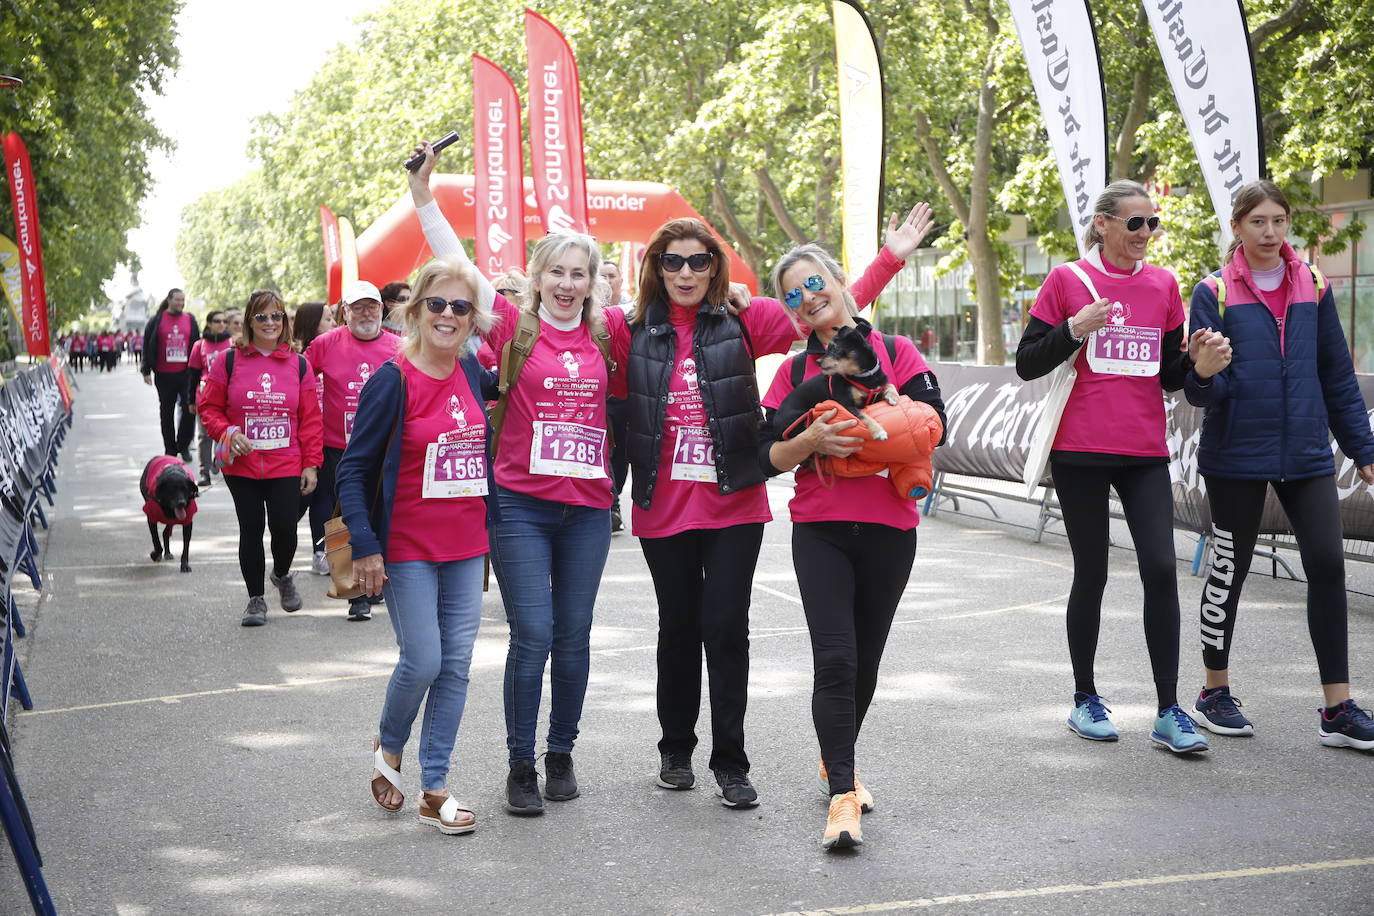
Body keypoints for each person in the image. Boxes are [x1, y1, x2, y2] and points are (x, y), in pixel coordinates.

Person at [621, 209, 927, 809]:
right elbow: (558, 316)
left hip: (734, 503)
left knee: (726, 632)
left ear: (716, 267)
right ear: (655, 268)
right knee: (677, 629)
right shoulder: (631, 326)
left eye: (699, 260)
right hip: (663, 507)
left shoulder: (747, 319)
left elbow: (823, 305)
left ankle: (731, 764)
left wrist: (888, 259)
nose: (685, 272)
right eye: (672, 261)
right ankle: (675, 750)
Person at [411, 142, 615, 816]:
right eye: (556, 272)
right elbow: (461, 269)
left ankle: (562, 754)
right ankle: (520, 764)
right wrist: (423, 198)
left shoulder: (609, 331)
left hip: (586, 511)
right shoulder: (511, 329)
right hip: (522, 506)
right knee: (532, 632)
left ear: (591, 282)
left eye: (577, 274)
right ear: (535, 277)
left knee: (574, 635)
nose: (566, 284)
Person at [1015, 180, 1226, 754]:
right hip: (1080, 449)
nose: (1145, 235)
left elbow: (1167, 375)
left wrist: (1199, 367)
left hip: (1143, 452)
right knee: (1094, 572)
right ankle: (1085, 699)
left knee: (1161, 568)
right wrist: (1073, 329)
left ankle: (1168, 710)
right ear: (1104, 223)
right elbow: (1026, 363)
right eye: (1135, 223)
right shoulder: (1066, 280)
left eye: (1152, 224)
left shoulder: (1162, 284)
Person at [759, 234, 944, 849]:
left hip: (891, 528)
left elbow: (933, 424)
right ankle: (843, 792)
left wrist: (881, 427)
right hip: (822, 528)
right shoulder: (792, 371)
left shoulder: (895, 350)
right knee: (835, 659)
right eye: (794, 295)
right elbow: (767, 454)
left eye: (815, 284)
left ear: (840, 283)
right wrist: (810, 442)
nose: (808, 298)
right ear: (788, 311)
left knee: (863, 663)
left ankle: (835, 758)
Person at [1184, 179, 1374, 750]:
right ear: (1237, 227)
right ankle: (1214, 690)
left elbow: (1336, 374)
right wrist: (1205, 371)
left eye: (1279, 221)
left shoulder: (1312, 282)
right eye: (1258, 222)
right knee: (1229, 570)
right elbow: (1196, 393)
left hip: (1307, 454)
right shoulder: (1212, 290)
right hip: (1237, 455)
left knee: (1328, 565)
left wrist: (1363, 452)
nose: (1270, 232)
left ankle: (1337, 707)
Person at [336, 256, 497, 836]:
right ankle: (390, 744)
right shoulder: (392, 378)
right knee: (424, 659)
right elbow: (352, 471)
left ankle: (435, 788)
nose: (448, 316)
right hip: (406, 545)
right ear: (415, 309)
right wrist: (366, 545)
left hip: (466, 542)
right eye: (437, 304)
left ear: (473, 317)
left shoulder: (476, 371)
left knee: (455, 667)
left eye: (460, 306)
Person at [198, 290, 322, 626]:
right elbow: (209, 408)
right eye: (262, 317)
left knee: (284, 527)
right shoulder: (228, 360)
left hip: (286, 462)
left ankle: (281, 574)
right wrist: (228, 432)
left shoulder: (299, 364)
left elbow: (310, 419)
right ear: (249, 322)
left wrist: (311, 462)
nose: (270, 323)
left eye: (276, 316)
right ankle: (255, 600)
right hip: (243, 465)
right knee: (250, 529)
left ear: (285, 321)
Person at [303, 282, 401, 620]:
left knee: (381, 518)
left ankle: (376, 582)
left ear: (381, 310)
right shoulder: (325, 344)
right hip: (338, 449)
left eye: (371, 307)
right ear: (345, 312)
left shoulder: (399, 347)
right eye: (357, 308)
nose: (366, 314)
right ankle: (354, 593)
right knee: (344, 521)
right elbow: (298, 379)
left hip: (385, 450)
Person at [141, 288, 201, 459]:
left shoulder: (190, 319)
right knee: (166, 413)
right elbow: (147, 346)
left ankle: (183, 444)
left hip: (186, 373)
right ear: (169, 300)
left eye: (183, 300)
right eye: (177, 300)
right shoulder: (156, 320)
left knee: (189, 410)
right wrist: (145, 370)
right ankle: (170, 449)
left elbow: (197, 346)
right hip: (163, 374)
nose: (180, 303)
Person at [188, 310, 234, 487]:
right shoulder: (199, 345)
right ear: (208, 323)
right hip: (204, 396)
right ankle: (204, 471)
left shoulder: (232, 344)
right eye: (217, 321)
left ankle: (218, 459)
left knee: (222, 432)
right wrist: (190, 400)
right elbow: (192, 375)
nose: (221, 324)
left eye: (224, 321)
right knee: (204, 435)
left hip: (227, 396)